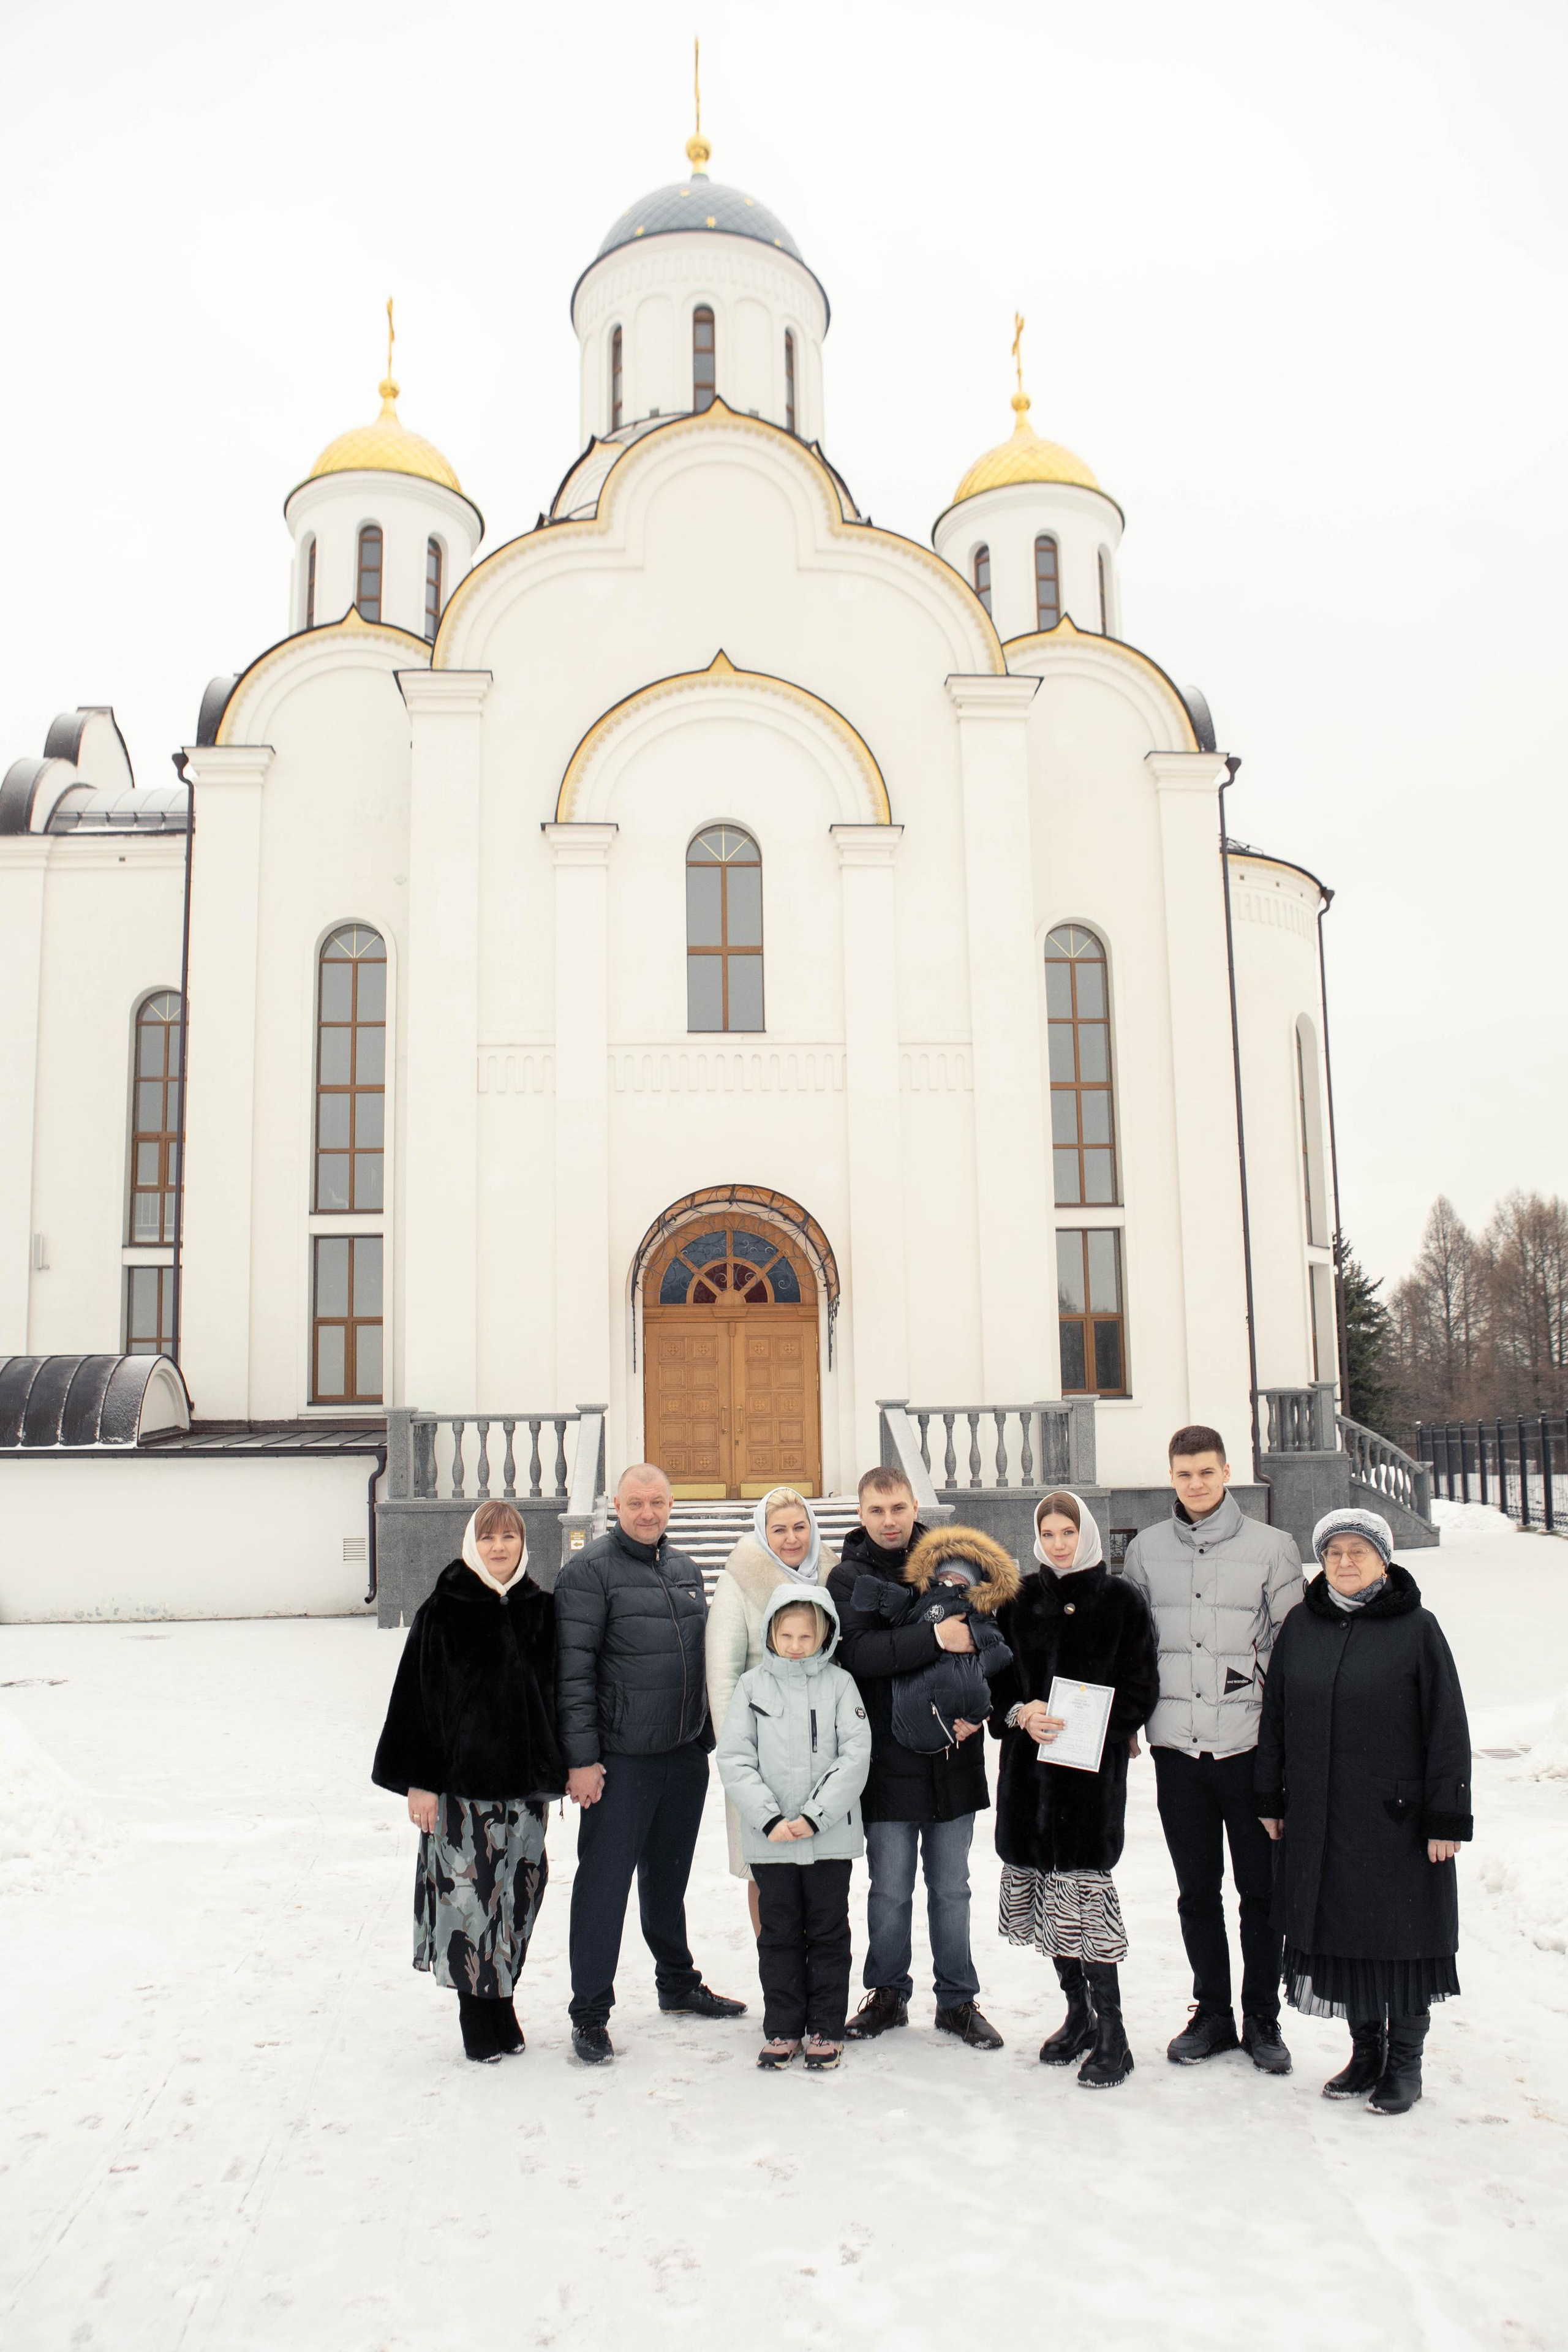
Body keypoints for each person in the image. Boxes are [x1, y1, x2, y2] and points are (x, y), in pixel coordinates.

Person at [1256, 1508, 1472, 2116]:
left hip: (1396, 1820)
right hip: (1320, 1818)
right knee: (1343, 1934)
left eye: (1358, 1551)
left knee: (1401, 1940)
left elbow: (1447, 1728)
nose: (1344, 1563)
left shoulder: (1417, 1628)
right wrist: (1270, 1799)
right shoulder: (1302, 1626)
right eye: (1333, 1553)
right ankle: (1365, 2054)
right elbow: (1274, 1718)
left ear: (1383, 1559)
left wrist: (1445, 1818)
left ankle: (1405, 2064)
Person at [1120, 1424, 1302, 2074]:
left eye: (1205, 1471)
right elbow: (1132, 1648)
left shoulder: (1273, 1550)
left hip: (1248, 1749)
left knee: (1260, 1892)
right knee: (1196, 1890)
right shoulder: (1144, 1551)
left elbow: (1292, 1652)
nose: (1195, 1484)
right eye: (1183, 1473)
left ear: (1226, 1472)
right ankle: (1212, 2012)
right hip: (1178, 1751)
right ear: (1171, 1477)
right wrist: (1127, 1722)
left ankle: (1262, 2017)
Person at [554, 1463, 747, 2064]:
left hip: (681, 1757)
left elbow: (708, 1657)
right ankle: (589, 2014)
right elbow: (573, 1675)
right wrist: (582, 1761)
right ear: (616, 1505)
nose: (647, 1512)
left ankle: (677, 1983)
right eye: (636, 1502)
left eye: (658, 1502)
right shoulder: (588, 1572)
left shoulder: (684, 1569)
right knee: (603, 1891)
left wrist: (703, 1739)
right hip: (619, 1766)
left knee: (668, 1883)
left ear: (670, 1505)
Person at [371, 1500, 564, 2064]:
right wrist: (420, 1782)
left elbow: (558, 1697)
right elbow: (416, 1699)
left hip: (524, 1793)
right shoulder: (444, 1610)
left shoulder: (541, 1610)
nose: (499, 1548)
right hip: (462, 1792)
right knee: (468, 1905)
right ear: (470, 1545)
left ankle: (501, 2001)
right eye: (488, 1538)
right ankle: (474, 2014)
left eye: (508, 1537)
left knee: (517, 1899)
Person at [827, 1467, 1005, 2051]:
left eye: (898, 1508)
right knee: (890, 1888)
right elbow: (858, 1654)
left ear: (913, 1507)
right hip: (886, 1758)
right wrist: (935, 1639)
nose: (888, 1521)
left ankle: (957, 2000)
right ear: (861, 1514)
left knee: (953, 1888)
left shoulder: (950, 1565)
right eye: (877, 1510)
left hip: (954, 1755)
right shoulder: (849, 1576)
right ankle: (886, 1994)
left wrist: (980, 1705)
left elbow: (990, 1642)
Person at [990, 1492, 1159, 2088]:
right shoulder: (1018, 1599)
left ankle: (1114, 2035)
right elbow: (996, 1684)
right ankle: (1077, 2015)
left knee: (1086, 1903)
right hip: (1028, 1781)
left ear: (1085, 1533)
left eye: (1068, 1531)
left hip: (1087, 1784)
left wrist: (1096, 1726)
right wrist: (1020, 1713)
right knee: (1048, 1905)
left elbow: (1141, 1689)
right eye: (1050, 1533)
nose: (1059, 1542)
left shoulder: (1119, 1602)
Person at [717, 1587, 872, 2070]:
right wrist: (769, 1818)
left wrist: (814, 1817)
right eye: (786, 1635)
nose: (797, 1644)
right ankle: (783, 2026)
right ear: (770, 1634)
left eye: (807, 1635)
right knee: (779, 1934)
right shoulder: (752, 1687)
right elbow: (736, 1757)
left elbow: (855, 1755)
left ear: (824, 1634)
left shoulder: (842, 1685)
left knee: (828, 1932)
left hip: (829, 1839)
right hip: (772, 1842)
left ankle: (826, 2026)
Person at [706, 1486, 839, 1936]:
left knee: (818, 1867)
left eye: (800, 1527)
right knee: (764, 1867)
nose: (791, 1538)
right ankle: (776, 1969)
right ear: (763, 1533)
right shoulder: (740, 1579)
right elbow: (722, 1674)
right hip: (761, 1750)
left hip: (821, 1750)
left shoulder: (831, 1575)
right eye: (778, 1529)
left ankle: (815, 1976)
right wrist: (737, 1754)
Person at [849, 1525, 1017, 1755]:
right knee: (912, 1697)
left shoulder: (976, 1611)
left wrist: (983, 1666)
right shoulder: (923, 1599)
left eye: (958, 1580)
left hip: (962, 1683)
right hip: (917, 1679)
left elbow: (995, 1649)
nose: (949, 1583)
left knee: (968, 1694)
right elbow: (904, 1611)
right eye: (945, 1577)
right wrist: (880, 1594)